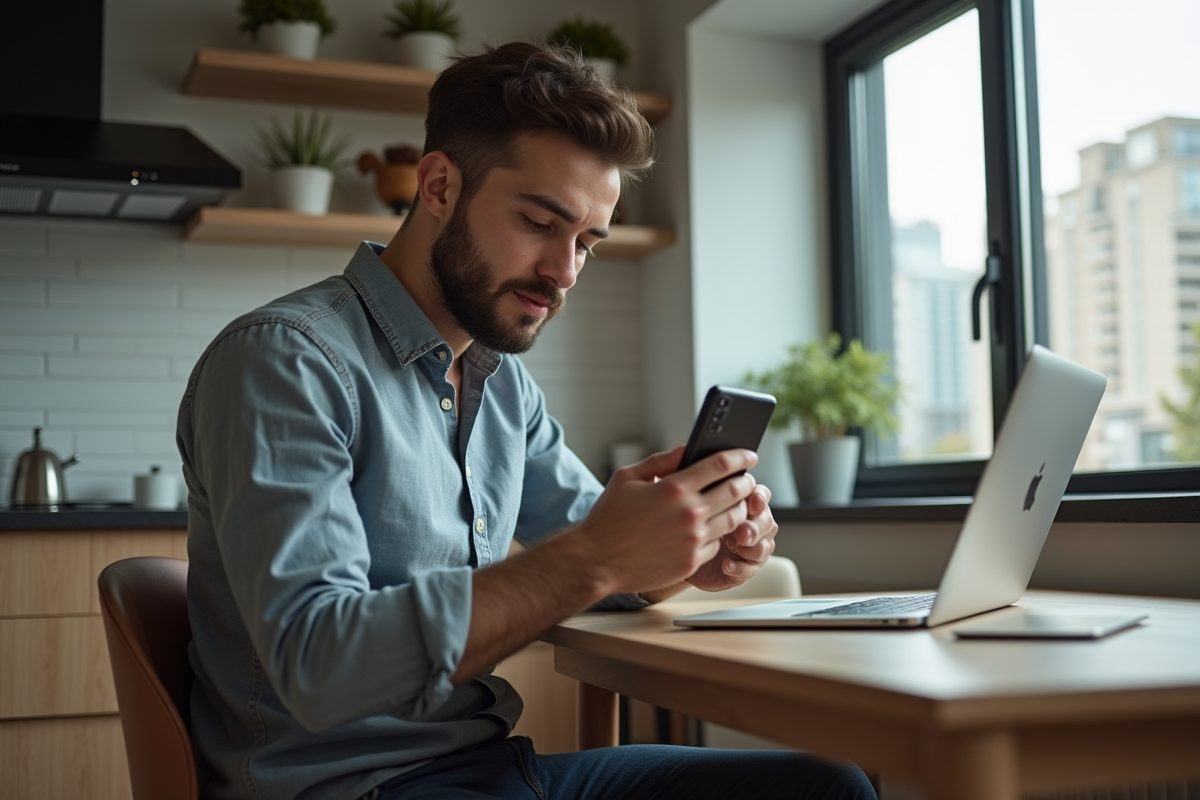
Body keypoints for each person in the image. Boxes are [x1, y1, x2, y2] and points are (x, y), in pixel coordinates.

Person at [178, 42, 877, 800]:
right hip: (350, 786)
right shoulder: (287, 361)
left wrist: (679, 556)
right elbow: (319, 665)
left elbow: (588, 541)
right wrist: (602, 555)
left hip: (488, 767)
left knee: (828, 788)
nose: (565, 271)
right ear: (440, 185)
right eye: (542, 223)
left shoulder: (502, 384)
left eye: (586, 242)